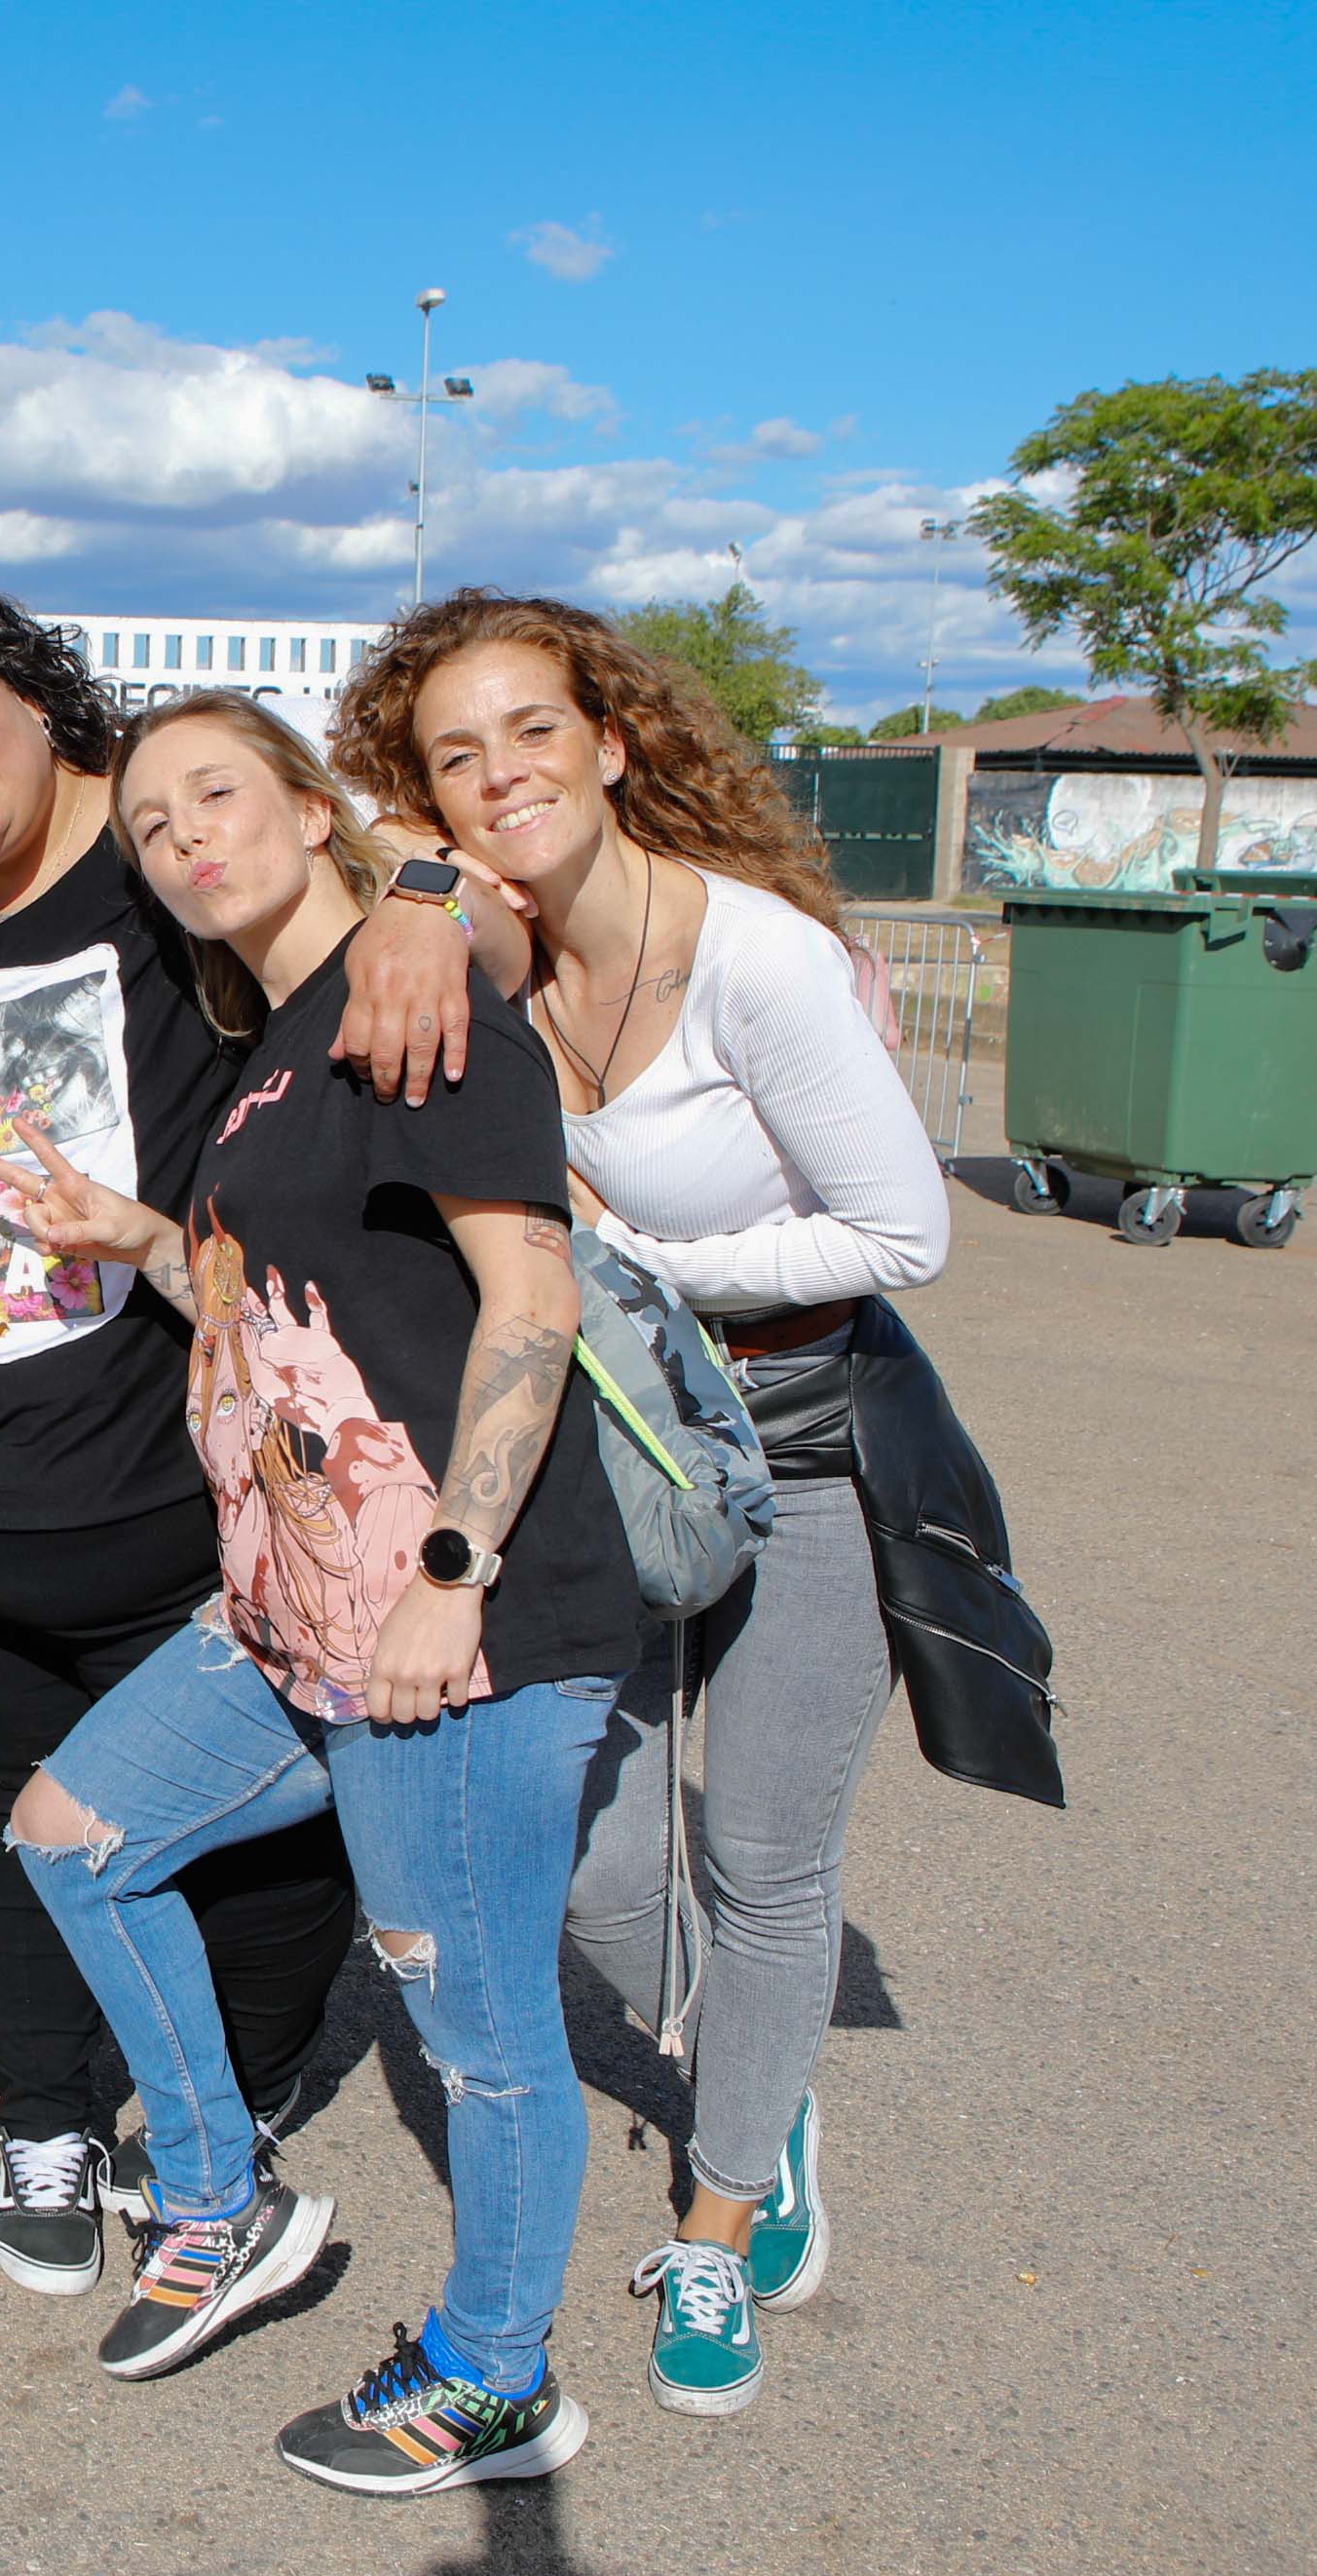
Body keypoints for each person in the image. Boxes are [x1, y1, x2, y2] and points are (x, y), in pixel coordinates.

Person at [0, 580, 494, 2299]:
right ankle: (43, 2114)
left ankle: (215, 2106)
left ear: (22, 686)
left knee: (266, 1825)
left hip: (175, 1482)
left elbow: (383, 826)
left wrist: (426, 903)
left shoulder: (154, 845)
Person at [0, 691, 643, 2495]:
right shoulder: (283, 1034)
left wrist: (453, 1572)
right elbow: (303, 1332)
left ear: (307, 800)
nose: (187, 836)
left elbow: (532, 1303)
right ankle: (220, 2196)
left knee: (479, 2026)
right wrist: (139, 1243)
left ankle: (497, 2377)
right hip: (294, 1615)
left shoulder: (414, 995)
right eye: (151, 826)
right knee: (69, 1833)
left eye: (219, 793)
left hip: (456, 1633)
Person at [330, 592, 949, 2420]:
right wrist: (419, 887)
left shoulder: (755, 958)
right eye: (457, 754)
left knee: (765, 1865)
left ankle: (726, 2191)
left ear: (610, 742)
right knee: (596, 1862)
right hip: (611, 1445)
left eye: (533, 730)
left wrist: (644, 1255)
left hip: (798, 1434)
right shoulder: (481, 927)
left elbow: (906, 1231)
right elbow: (318, 822)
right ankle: (751, 2064)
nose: (500, 772)